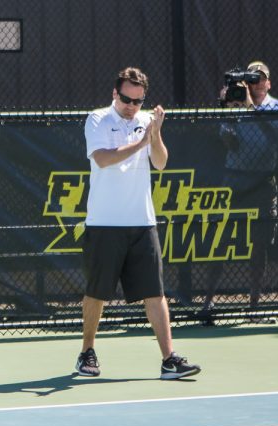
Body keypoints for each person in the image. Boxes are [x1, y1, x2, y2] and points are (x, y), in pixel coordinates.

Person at [75, 67, 200, 380]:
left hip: (143, 223)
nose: (132, 106)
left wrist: (154, 136)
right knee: (97, 293)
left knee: (155, 293)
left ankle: (169, 359)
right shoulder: (97, 119)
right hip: (104, 224)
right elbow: (102, 159)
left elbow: (160, 162)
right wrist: (142, 142)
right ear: (115, 94)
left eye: (138, 101)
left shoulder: (146, 123)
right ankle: (86, 351)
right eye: (127, 99)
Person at [202, 61, 278, 321]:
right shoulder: (235, 105)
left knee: (259, 245)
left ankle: (254, 307)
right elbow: (230, 143)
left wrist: (252, 108)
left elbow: (275, 139)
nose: (255, 84)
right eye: (251, 80)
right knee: (221, 239)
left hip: (263, 182)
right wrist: (226, 110)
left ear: (268, 83)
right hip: (234, 180)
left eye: (260, 79)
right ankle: (207, 304)